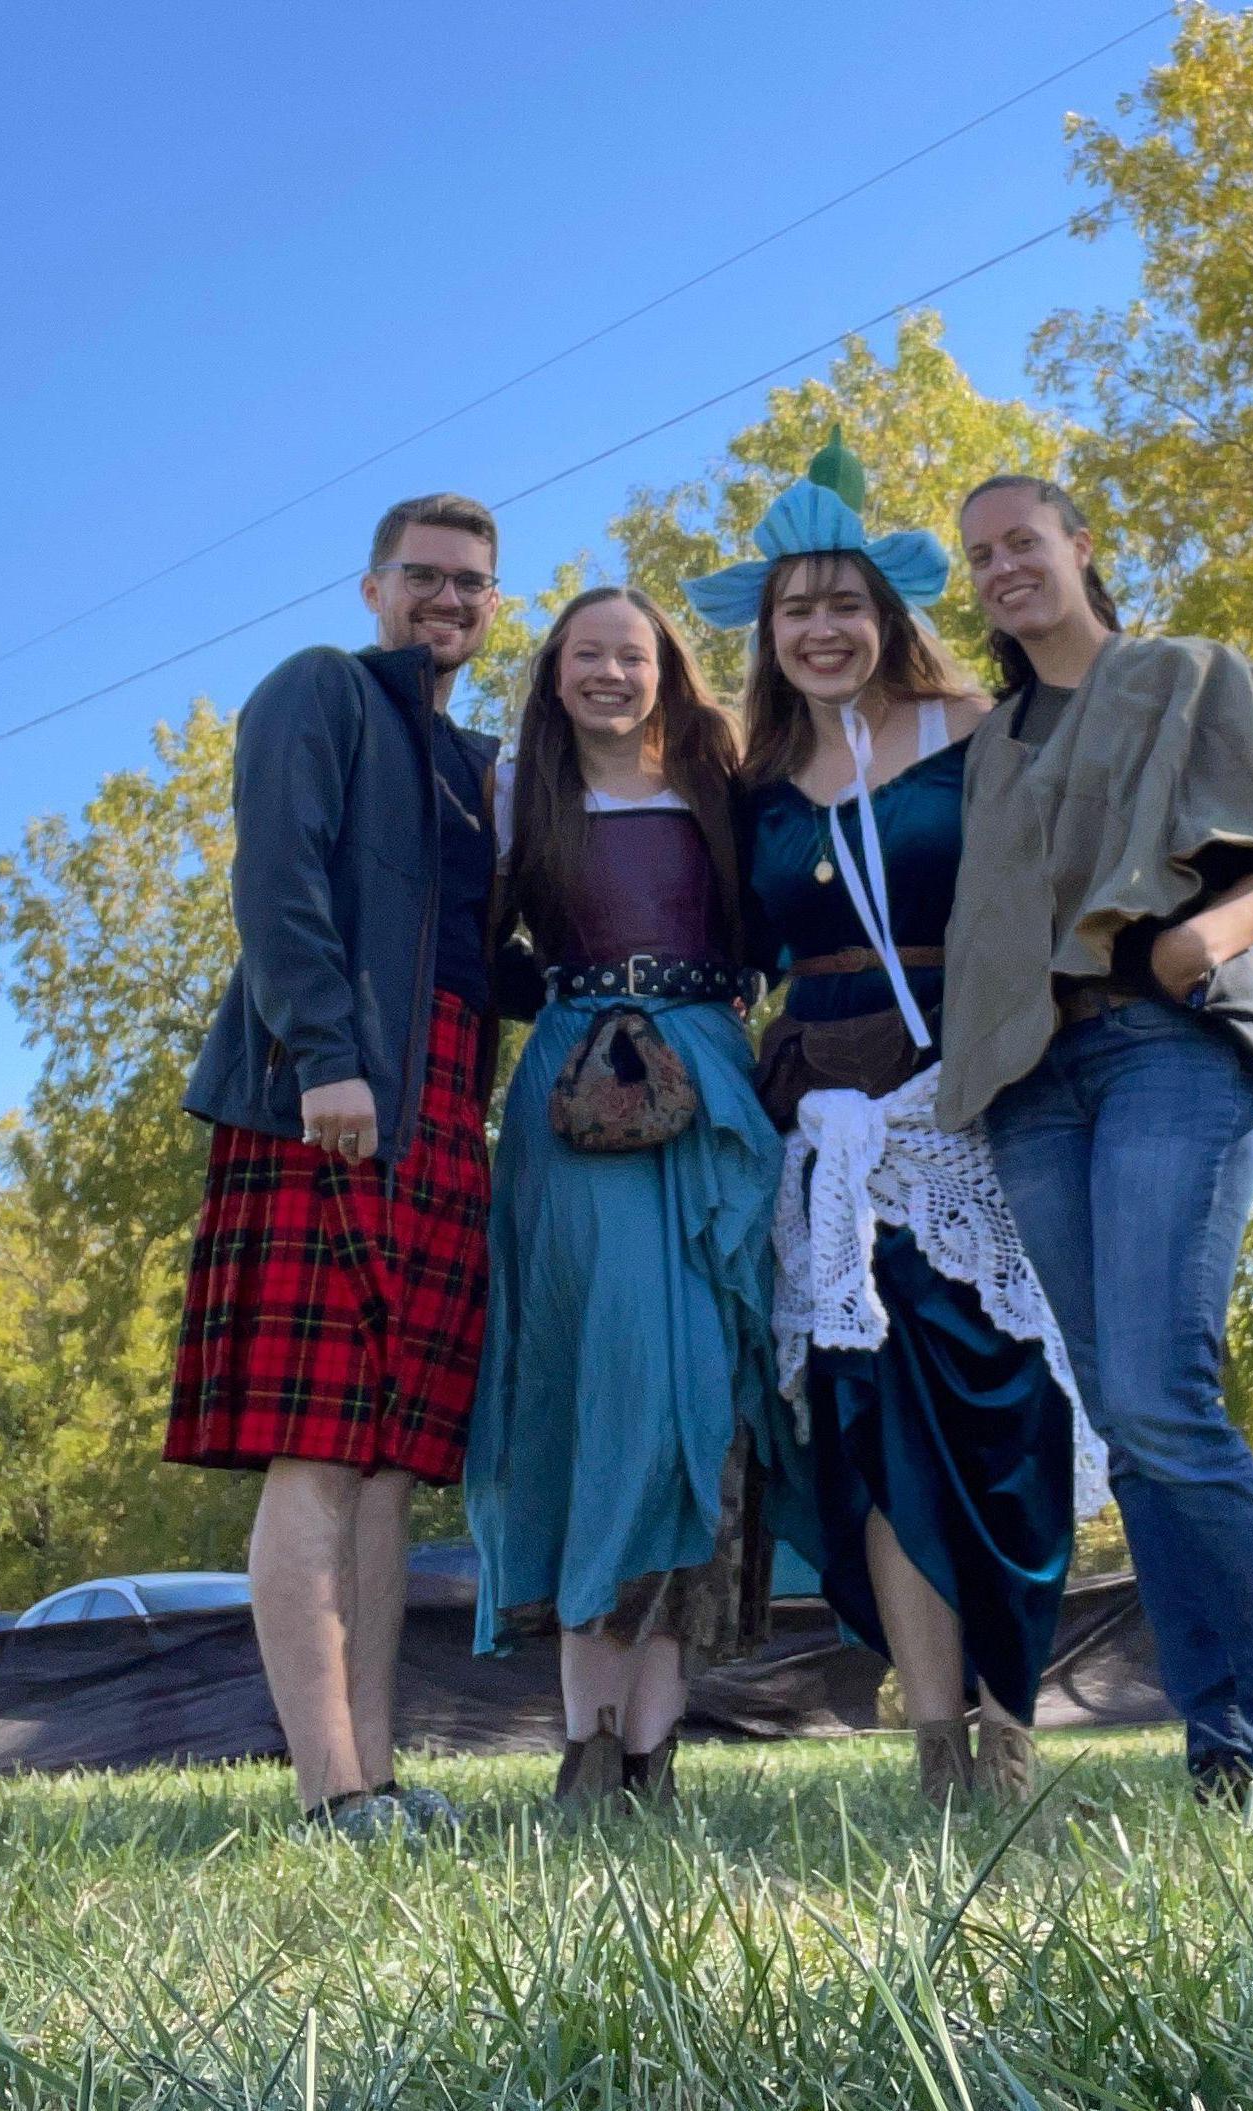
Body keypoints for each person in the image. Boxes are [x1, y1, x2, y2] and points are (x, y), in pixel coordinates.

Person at [941, 473, 1253, 1810]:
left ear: (1079, 548)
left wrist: (1203, 938)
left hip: (1173, 1049)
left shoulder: (1192, 675)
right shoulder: (992, 749)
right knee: (1125, 1425)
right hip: (1035, 1083)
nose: (1005, 566)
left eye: (1024, 541)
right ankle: (1224, 1749)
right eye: (981, 555)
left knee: (1169, 1396)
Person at [690, 433, 1089, 1807]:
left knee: (1005, 1409)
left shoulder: (978, 729)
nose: (821, 629)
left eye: (845, 604)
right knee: (874, 1423)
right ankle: (932, 1739)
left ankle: (1010, 1721)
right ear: (767, 628)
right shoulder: (744, 785)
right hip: (834, 1132)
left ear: (888, 613)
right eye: (796, 609)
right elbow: (721, 948)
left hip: (970, 1107)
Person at [165, 493, 504, 1842]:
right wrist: (325, 1055)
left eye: (473, 583)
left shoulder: (474, 763)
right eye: (424, 576)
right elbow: (279, 880)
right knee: (317, 1446)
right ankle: (325, 1785)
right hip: (336, 1090)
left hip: (441, 1104)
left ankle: (376, 1774)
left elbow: (482, 955)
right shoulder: (323, 693)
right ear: (373, 587)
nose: (449, 600)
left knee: (387, 1464)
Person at [462, 587, 784, 1812]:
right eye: (585, 654)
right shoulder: (512, 796)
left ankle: (651, 1750)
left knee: (697, 1391)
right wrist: (565, 997)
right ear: (552, 674)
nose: (609, 672)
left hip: (710, 1074)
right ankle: (585, 1745)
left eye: (631, 654)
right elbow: (466, 942)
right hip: (575, 1094)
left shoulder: (729, 782)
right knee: (599, 1384)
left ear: (668, 671)